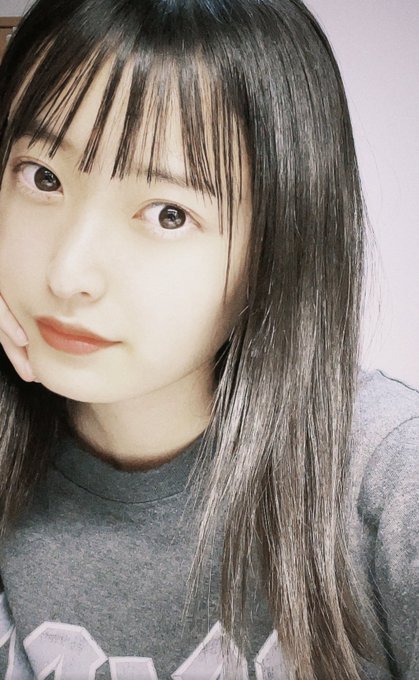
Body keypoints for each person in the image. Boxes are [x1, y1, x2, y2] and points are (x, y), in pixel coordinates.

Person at [0, 0, 417, 678]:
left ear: (278, 245)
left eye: (168, 213)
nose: (68, 273)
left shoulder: (388, 477)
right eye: (42, 177)